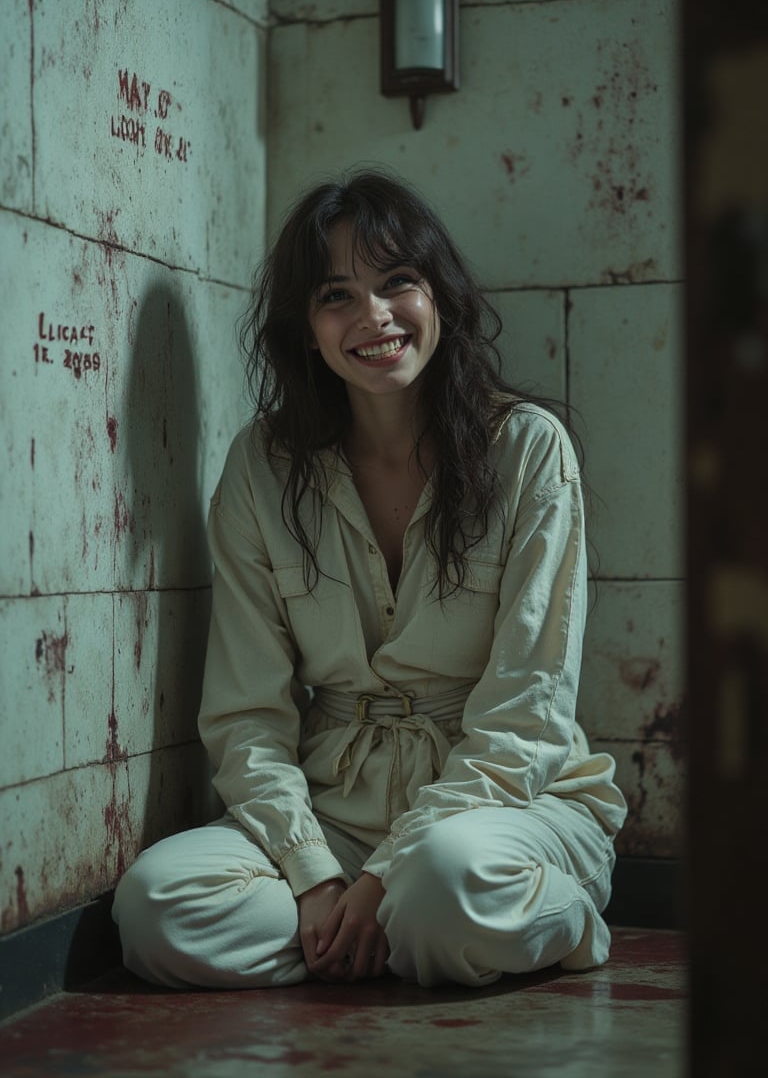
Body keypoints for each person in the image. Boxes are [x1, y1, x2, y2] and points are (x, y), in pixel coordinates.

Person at [113, 167, 627, 989]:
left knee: (445, 879)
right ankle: (385, 933)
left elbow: (526, 711)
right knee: (156, 906)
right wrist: (316, 876)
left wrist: (392, 870)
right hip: (336, 804)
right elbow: (248, 713)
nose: (374, 318)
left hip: (504, 803)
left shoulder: (528, 450)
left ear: (440, 298)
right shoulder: (263, 466)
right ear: (305, 328)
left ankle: (546, 912)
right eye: (336, 296)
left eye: (397, 283)